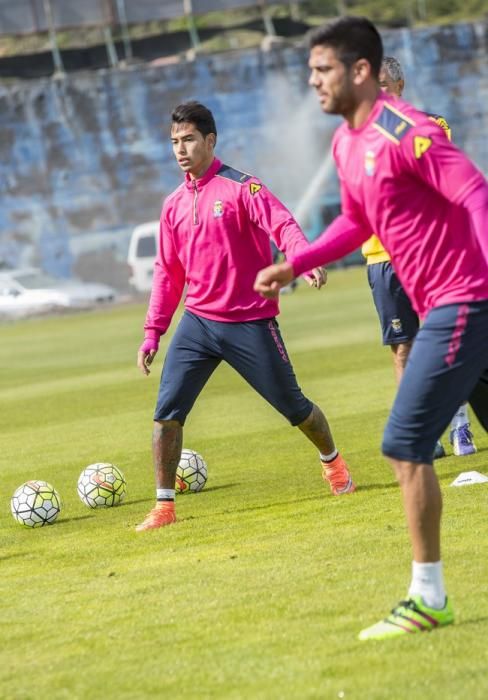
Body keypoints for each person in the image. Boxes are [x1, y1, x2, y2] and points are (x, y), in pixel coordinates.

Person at [254, 16, 488, 640]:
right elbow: (357, 224)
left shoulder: (406, 130)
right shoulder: (346, 144)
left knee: (404, 443)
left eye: (323, 70)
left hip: (463, 302)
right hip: (457, 303)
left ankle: (428, 598)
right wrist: (295, 263)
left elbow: (475, 194)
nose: (314, 83)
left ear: (360, 71)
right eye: (310, 72)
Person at [135, 100, 355, 533]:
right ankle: (163, 507)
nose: (180, 149)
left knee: (295, 408)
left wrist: (304, 261)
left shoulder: (242, 188)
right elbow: (167, 274)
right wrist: (152, 332)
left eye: (189, 140)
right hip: (197, 323)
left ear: (210, 140)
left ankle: (334, 463)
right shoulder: (173, 205)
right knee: (166, 413)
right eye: (174, 142)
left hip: (249, 321)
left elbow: (283, 225)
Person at [363, 55, 477, 459]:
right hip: (382, 258)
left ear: (399, 87)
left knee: (448, 340)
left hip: (431, 254)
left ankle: (460, 427)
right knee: (404, 349)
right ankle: (424, 433)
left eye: (382, 87)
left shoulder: (433, 125)